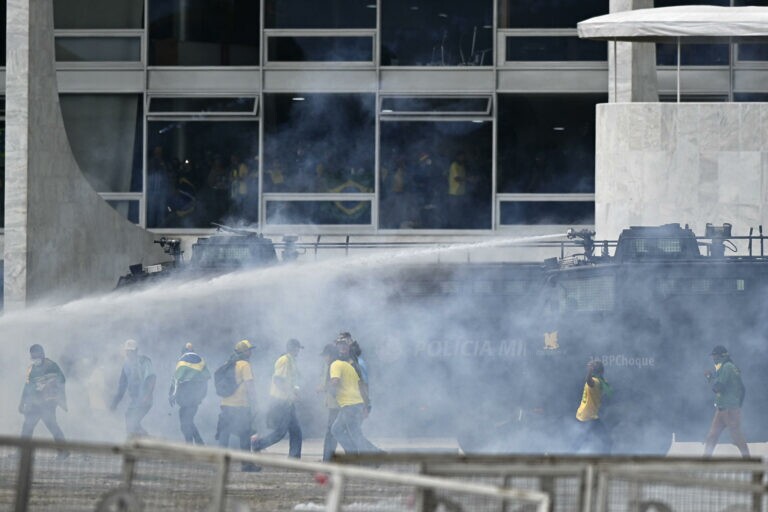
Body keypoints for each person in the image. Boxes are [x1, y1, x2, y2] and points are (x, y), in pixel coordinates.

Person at [251, 338, 304, 458]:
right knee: (280, 433)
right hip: (281, 401)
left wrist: (295, 392)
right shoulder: (284, 360)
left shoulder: (291, 361)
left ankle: (294, 458)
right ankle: (257, 444)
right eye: (298, 348)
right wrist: (291, 394)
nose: (299, 351)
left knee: (296, 431)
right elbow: (278, 380)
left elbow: (290, 381)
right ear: (293, 348)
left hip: (287, 401)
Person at [216, 339, 260, 471]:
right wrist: (255, 402)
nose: (251, 352)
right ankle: (246, 465)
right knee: (244, 435)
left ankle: (220, 465)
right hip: (241, 405)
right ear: (244, 352)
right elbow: (249, 385)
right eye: (249, 350)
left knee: (224, 434)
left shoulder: (228, 363)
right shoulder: (244, 365)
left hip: (225, 404)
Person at [328, 344, 379, 455]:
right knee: (343, 431)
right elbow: (362, 386)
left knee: (350, 433)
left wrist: (330, 390)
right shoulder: (349, 367)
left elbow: (335, 381)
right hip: (355, 404)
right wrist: (366, 405)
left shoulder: (335, 364)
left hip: (349, 405)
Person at [19, 344, 68, 453]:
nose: (35, 359)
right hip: (34, 404)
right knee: (27, 427)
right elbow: (27, 387)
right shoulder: (31, 369)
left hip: (48, 403)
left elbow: (62, 379)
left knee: (53, 427)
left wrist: (46, 383)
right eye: (33, 357)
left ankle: (63, 452)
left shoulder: (51, 365)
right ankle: (22, 452)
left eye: (37, 356)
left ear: (42, 354)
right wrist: (22, 403)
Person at [704, 345, 750, 458]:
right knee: (712, 437)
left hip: (729, 410)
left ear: (720, 356)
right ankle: (704, 461)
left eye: (714, 356)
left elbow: (719, 387)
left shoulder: (727, 367)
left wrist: (710, 379)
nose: (713, 358)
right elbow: (742, 389)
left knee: (737, 437)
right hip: (722, 409)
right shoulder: (726, 366)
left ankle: (749, 461)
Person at [110, 339, 156, 437]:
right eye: (128, 351)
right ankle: (141, 441)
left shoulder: (144, 361)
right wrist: (114, 403)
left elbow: (152, 378)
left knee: (132, 422)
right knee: (129, 420)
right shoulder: (126, 365)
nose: (130, 353)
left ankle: (144, 441)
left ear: (136, 351)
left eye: (132, 351)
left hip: (144, 399)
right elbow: (121, 387)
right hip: (135, 401)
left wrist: (147, 396)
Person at [169, 343, 210, 445]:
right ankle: (199, 443)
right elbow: (206, 378)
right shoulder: (201, 361)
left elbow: (176, 379)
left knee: (185, 423)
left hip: (186, 396)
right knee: (187, 420)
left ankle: (190, 445)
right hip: (196, 397)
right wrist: (201, 396)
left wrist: (172, 394)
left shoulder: (182, 361)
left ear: (183, 351)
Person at [574, 360, 612, 454]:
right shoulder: (595, 382)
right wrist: (590, 371)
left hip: (586, 415)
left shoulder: (600, 382)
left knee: (581, 441)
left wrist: (590, 371)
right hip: (588, 416)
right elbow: (589, 381)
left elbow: (605, 390)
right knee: (606, 441)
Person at [318, 344, 341, 462]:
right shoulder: (330, 365)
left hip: (337, 404)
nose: (324, 358)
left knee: (332, 433)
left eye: (325, 355)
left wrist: (323, 388)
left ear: (330, 355)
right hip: (334, 404)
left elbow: (335, 383)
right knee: (336, 432)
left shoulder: (334, 365)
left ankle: (327, 459)